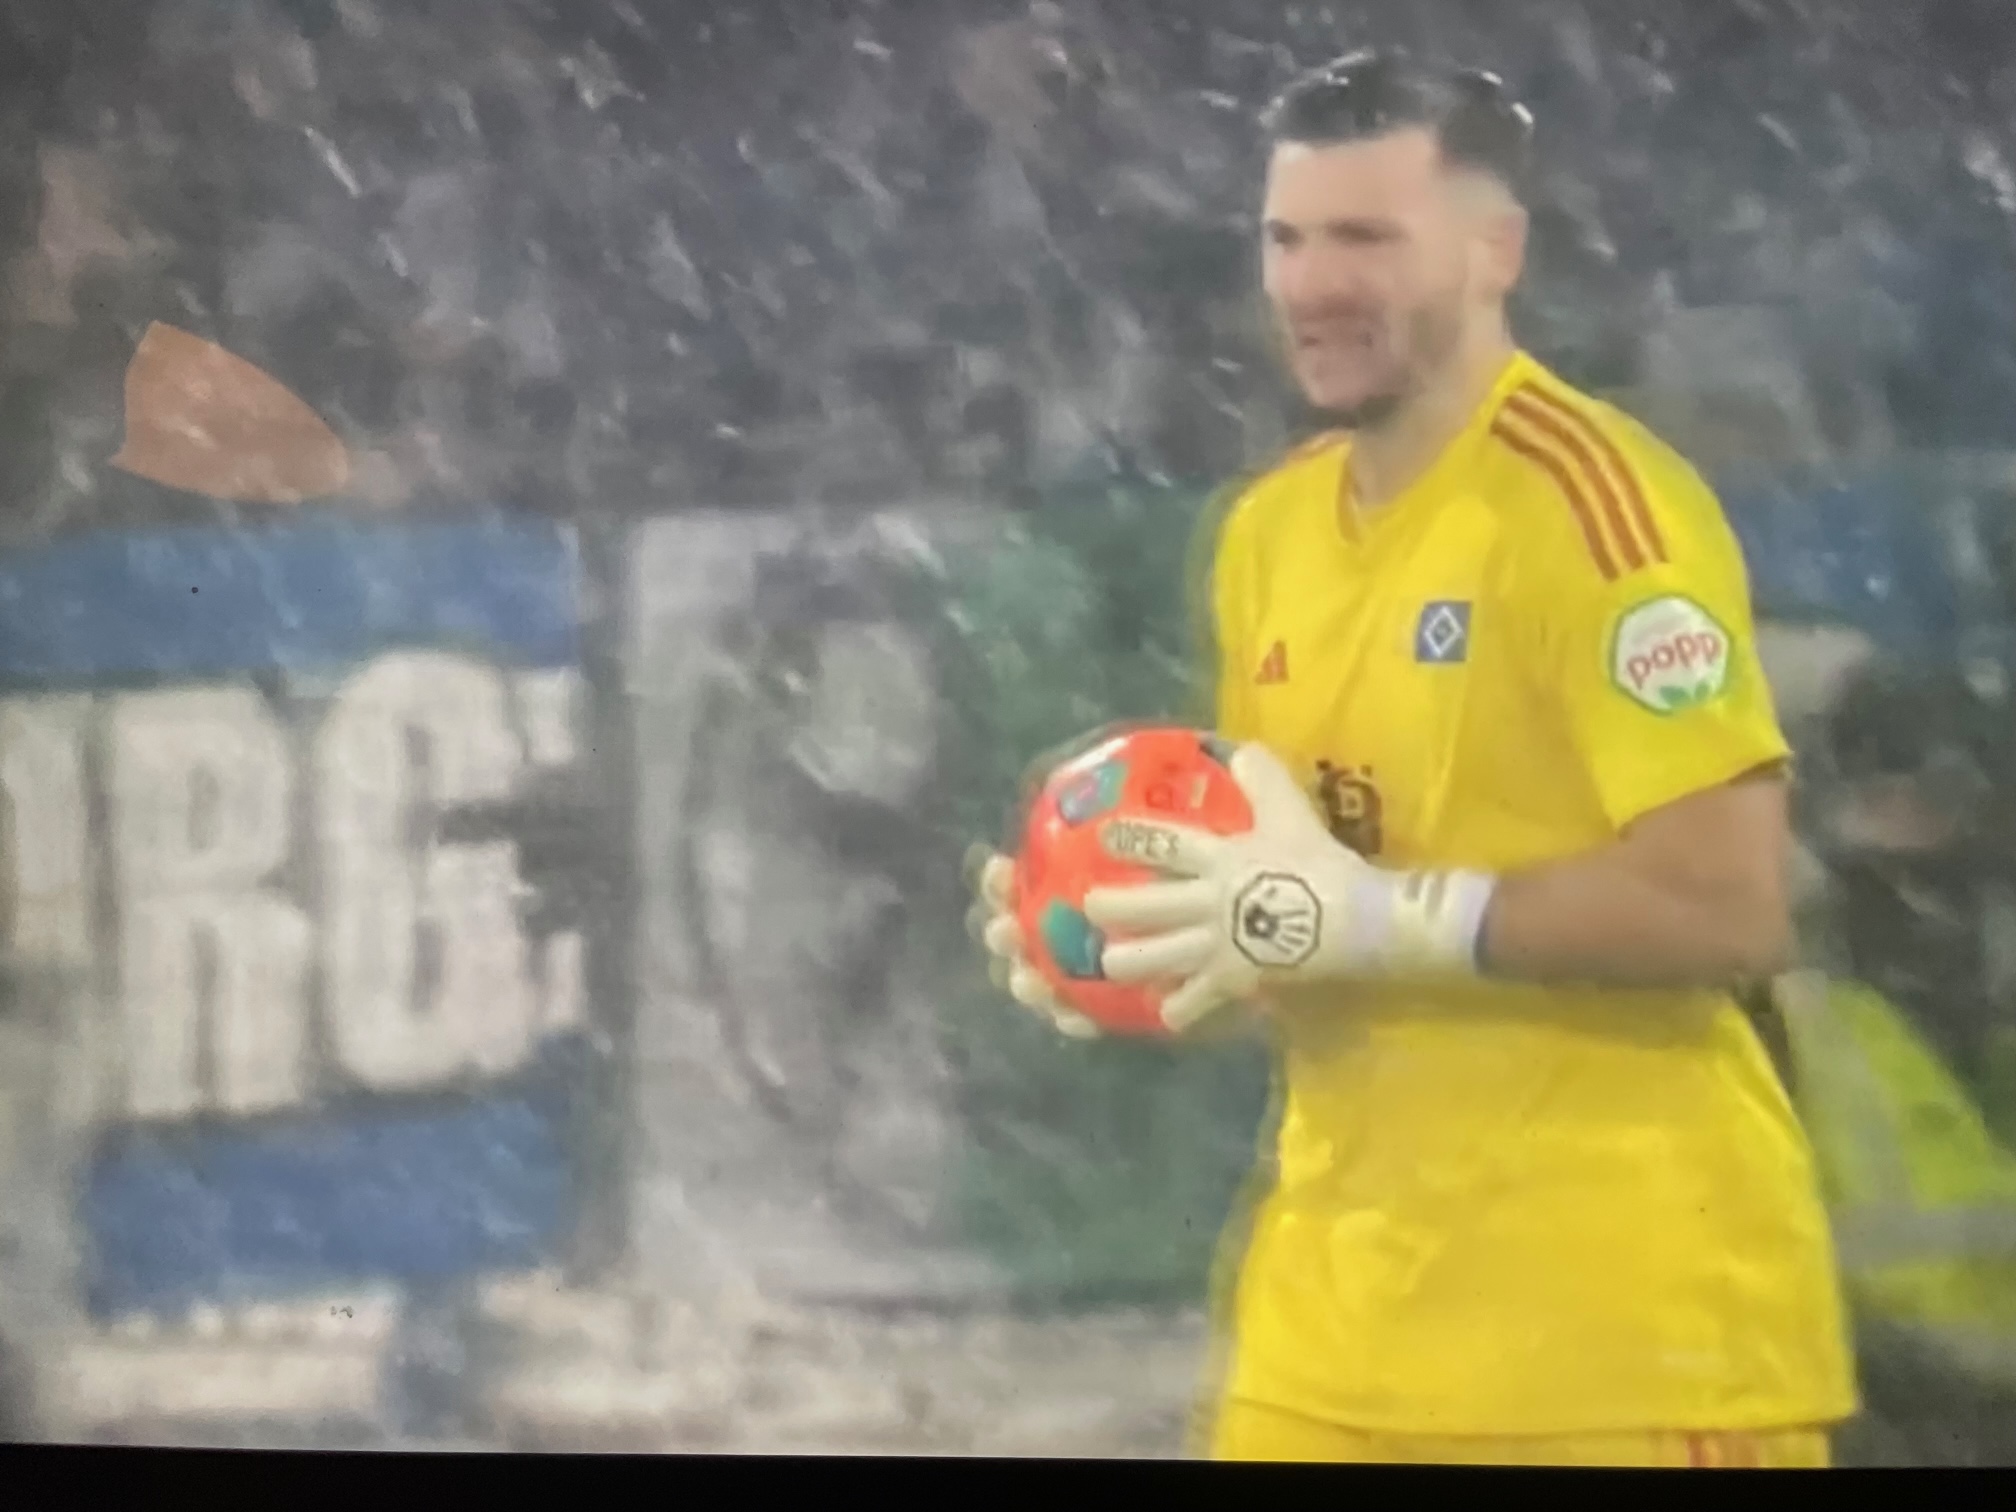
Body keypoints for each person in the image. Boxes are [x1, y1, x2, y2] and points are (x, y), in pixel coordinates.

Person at [968, 48, 1855, 1466]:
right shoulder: (1268, 532)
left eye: (1367, 238)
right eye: (1287, 240)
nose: (1314, 285)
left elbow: (1727, 904)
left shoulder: (1599, 511)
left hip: (1614, 1352)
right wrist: (1156, 943)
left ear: (1495, 252)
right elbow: (1313, 918)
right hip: (1327, 1347)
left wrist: (1373, 918)